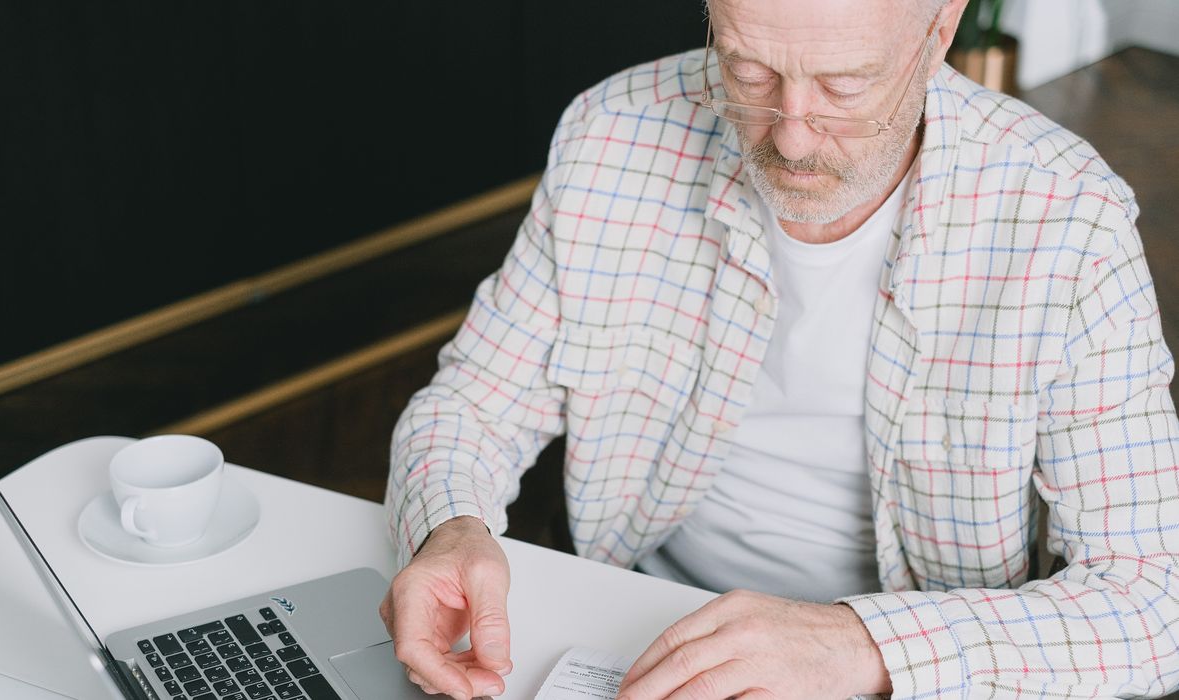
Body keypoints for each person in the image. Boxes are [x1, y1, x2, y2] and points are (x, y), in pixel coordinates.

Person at [380, 0, 1179, 697]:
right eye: (748, 72)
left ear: (939, 29)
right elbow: (473, 405)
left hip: (910, 668)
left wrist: (856, 645)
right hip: (636, 621)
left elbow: (1155, 600)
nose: (791, 139)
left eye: (845, 85)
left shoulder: (1067, 217)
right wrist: (450, 525)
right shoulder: (611, 131)